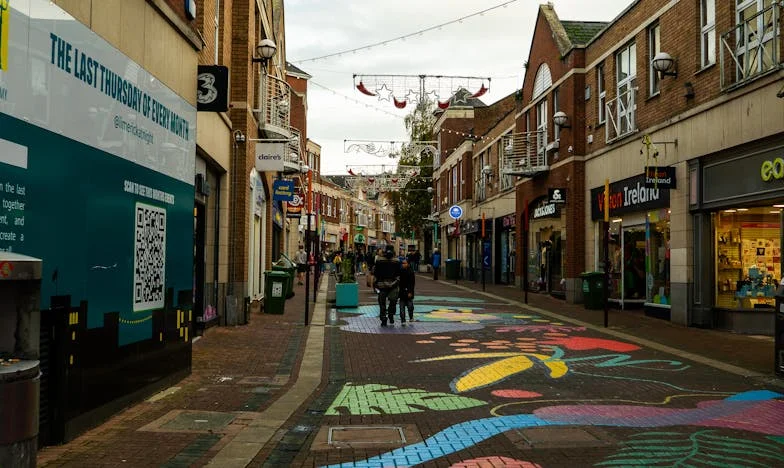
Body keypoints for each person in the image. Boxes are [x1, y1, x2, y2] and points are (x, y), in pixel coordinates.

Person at [372, 245, 401, 326]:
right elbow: (399, 274)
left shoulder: (379, 260)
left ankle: (383, 317)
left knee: (382, 303)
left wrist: (376, 283)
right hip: (393, 284)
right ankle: (390, 315)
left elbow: (376, 273)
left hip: (382, 284)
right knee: (393, 301)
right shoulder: (397, 261)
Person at [399, 258, 416, 325]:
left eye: (405, 263)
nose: (403, 264)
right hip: (402, 292)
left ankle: (411, 317)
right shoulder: (400, 271)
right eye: (402, 263)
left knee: (410, 306)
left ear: (408, 264)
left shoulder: (411, 272)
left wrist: (410, 292)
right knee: (401, 307)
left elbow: (412, 283)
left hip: (409, 292)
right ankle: (403, 320)